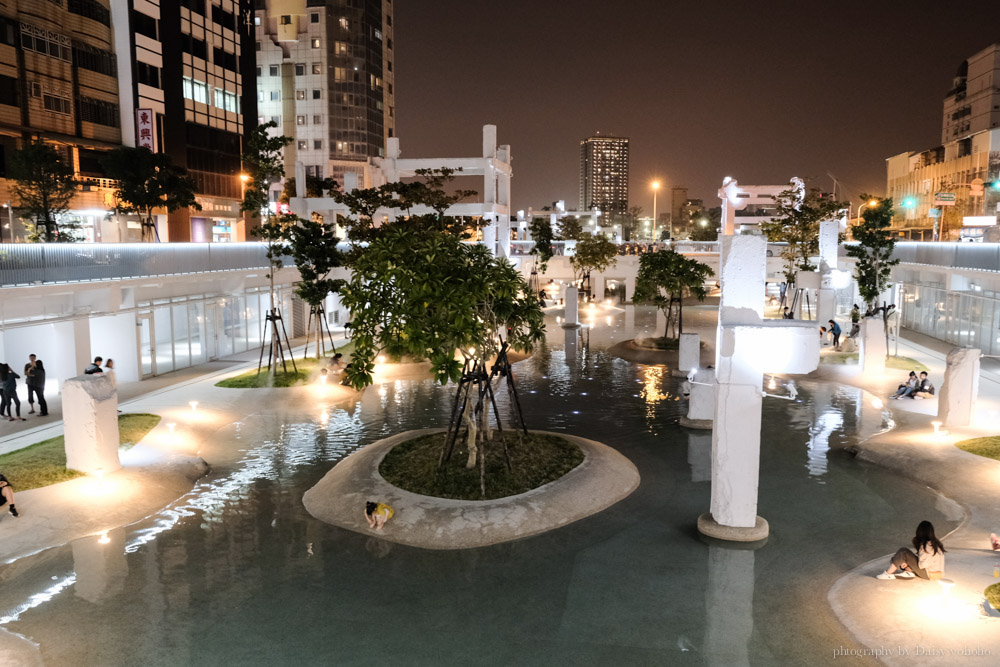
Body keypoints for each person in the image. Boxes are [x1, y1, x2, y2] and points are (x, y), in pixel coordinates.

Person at [876, 520, 946, 580]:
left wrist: (910, 563)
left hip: (929, 574)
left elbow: (922, 565)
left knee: (903, 552)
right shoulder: (936, 544)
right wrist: (909, 562)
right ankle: (908, 572)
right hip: (936, 574)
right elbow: (926, 561)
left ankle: (888, 574)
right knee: (904, 559)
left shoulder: (926, 546)